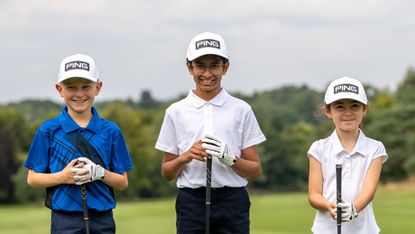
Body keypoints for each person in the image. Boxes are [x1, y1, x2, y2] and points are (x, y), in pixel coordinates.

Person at [155, 32, 266, 234]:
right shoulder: (175, 111)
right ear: (190, 67)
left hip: (232, 201)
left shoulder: (241, 109)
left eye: (214, 65)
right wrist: (185, 157)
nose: (207, 73)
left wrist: (231, 159)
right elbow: (167, 173)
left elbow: (255, 170)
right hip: (191, 202)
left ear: (226, 67)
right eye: (200, 65)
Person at [24, 53, 133, 234]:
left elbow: (122, 182)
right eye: (71, 87)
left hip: (103, 219)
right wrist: (62, 177)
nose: (79, 93)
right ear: (60, 89)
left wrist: (100, 173)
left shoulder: (111, 131)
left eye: (86, 86)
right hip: (64, 220)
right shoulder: (48, 130)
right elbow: (33, 179)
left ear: (97, 87)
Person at [307, 76, 388, 234]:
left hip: (365, 230)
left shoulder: (375, 148)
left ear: (364, 109)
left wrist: (353, 209)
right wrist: (327, 206)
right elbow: (314, 194)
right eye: (340, 107)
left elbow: (369, 189)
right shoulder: (318, 148)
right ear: (328, 111)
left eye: (354, 106)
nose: (348, 112)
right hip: (325, 230)